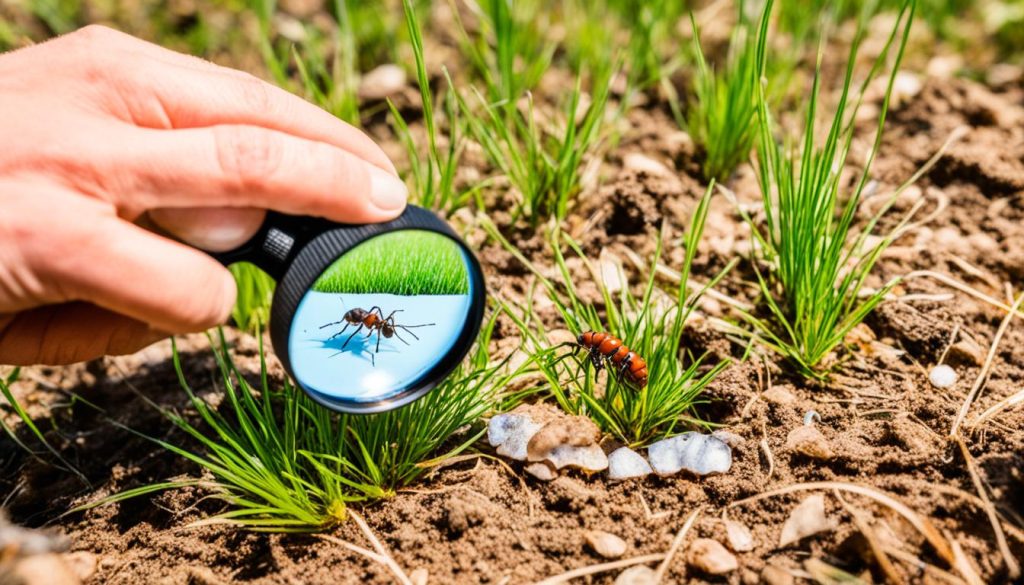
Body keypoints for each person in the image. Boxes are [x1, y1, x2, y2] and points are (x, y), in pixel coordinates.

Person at [0, 26, 407, 365]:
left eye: (383, 328)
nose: (380, 326)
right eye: (384, 327)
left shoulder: (375, 318)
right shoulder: (364, 320)